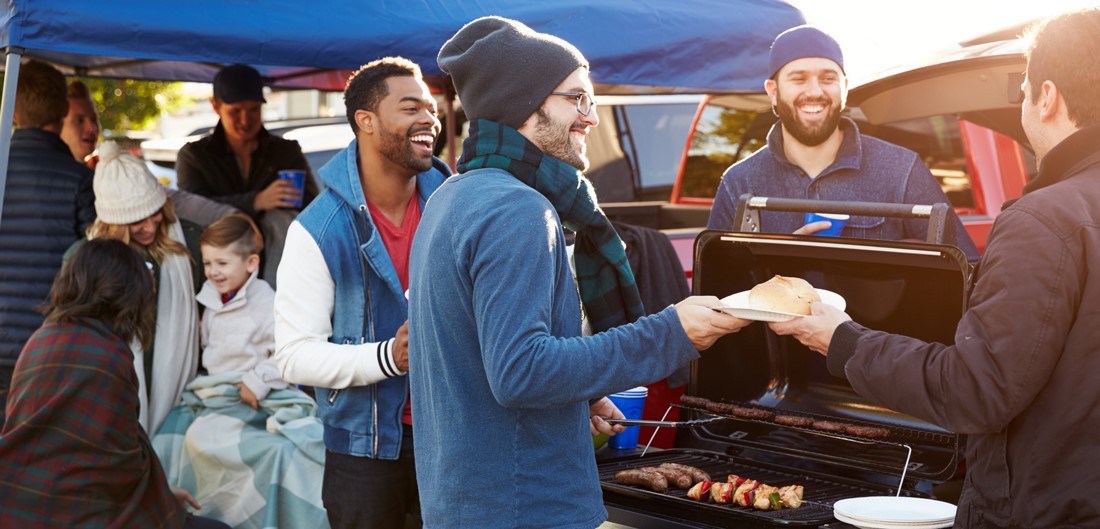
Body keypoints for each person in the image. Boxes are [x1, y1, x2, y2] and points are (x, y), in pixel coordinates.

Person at [408, 17, 748, 529]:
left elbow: (480, 358)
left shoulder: (452, 196)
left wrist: (582, 396)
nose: (590, 117)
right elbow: (521, 372)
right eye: (577, 99)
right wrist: (671, 331)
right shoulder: (517, 209)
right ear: (524, 103)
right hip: (525, 508)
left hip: (468, 500)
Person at [770, 9, 1100, 528]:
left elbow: (978, 391)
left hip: (1048, 509)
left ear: (1048, 96)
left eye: (1023, 91)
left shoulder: (1044, 220)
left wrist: (844, 340)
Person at [273, 57, 451, 529]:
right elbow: (293, 356)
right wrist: (388, 357)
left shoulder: (456, 202)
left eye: (431, 110)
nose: (429, 119)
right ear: (365, 121)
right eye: (411, 107)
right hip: (363, 454)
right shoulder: (318, 229)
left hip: (457, 438)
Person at [0, 238, 229, 529]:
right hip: (75, 509)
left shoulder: (42, 337)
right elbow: (119, 467)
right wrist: (160, 497)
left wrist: (160, 490)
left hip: (14, 497)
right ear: (125, 294)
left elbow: (112, 452)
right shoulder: (107, 355)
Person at [706, 25, 980, 263]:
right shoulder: (739, 182)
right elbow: (721, 288)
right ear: (773, 92)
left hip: (874, 325)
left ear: (845, 88)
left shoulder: (901, 169)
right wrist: (781, 260)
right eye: (798, 79)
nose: (815, 92)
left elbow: (962, 270)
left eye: (828, 78)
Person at [153, 214, 328, 528]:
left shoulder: (266, 303)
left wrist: (257, 380)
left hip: (253, 396)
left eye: (222, 263)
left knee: (241, 445)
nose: (213, 272)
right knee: (168, 437)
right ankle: (185, 511)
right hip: (216, 393)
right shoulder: (208, 299)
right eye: (207, 263)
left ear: (250, 263)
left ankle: (239, 513)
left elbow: (286, 354)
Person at [68, 141, 202, 434]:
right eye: (135, 221)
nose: (149, 228)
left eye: (153, 214)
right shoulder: (85, 258)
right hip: (115, 381)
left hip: (177, 384)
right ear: (113, 223)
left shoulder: (188, 242)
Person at [0, 60, 96, 423]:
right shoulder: (77, 179)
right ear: (60, 110)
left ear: (13, 111)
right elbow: (92, 260)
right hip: (46, 345)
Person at [176, 64, 318, 288]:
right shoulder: (194, 155)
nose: (245, 119)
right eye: (235, 111)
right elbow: (191, 208)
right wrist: (256, 201)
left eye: (253, 110)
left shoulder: (285, 151)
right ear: (216, 106)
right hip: (217, 274)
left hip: (280, 276)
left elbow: (313, 206)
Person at [60, 79, 240, 226]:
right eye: (79, 121)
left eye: (94, 119)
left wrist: (225, 214)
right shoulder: (56, 178)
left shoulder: (111, 170)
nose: (92, 128)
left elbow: (166, 198)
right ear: (57, 124)